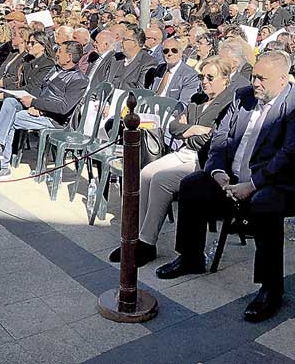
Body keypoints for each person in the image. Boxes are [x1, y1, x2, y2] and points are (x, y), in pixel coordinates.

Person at [155, 51, 295, 323]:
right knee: (193, 185)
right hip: (231, 176)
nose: (256, 83)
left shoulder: (292, 105)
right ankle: (190, 257)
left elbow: (288, 154)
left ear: (282, 79)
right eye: (254, 75)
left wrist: (252, 185)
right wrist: (217, 171)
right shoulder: (242, 95)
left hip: (274, 182)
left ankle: (270, 289)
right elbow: (220, 138)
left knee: (265, 203)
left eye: (262, 79)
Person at [109, 56, 236, 267]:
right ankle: (135, 238)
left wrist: (190, 133)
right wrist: (193, 130)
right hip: (184, 152)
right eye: (201, 76)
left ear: (225, 78)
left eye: (210, 77)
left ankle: (147, 243)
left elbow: (213, 138)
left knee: (161, 180)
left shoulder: (228, 103)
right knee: (146, 173)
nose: (204, 81)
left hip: (204, 160)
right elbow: (173, 127)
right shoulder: (197, 99)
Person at [0, 40, 88, 180]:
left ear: (69, 57)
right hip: (38, 108)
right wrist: (31, 102)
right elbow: (40, 90)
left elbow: (63, 107)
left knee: (10, 119)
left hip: (54, 119)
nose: (57, 53)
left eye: (60, 51)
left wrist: (37, 106)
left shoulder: (79, 79)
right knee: (9, 102)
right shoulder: (56, 69)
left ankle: (1, 166)